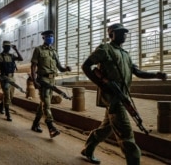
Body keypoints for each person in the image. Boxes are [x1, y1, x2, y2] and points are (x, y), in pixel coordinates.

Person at [81, 23, 167, 165]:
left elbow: (137, 72)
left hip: (122, 96)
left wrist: (156, 75)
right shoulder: (105, 49)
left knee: (105, 129)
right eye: (120, 32)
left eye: (125, 33)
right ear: (111, 34)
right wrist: (101, 84)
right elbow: (86, 66)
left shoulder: (125, 54)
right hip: (112, 98)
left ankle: (88, 149)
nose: (124, 35)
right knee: (126, 135)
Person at [30, 30, 71, 138]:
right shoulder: (38, 50)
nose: (50, 38)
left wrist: (66, 69)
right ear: (43, 38)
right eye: (48, 36)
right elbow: (33, 66)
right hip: (43, 80)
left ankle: (35, 124)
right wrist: (34, 81)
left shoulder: (54, 51)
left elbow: (60, 67)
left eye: (52, 36)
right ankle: (51, 126)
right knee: (47, 104)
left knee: (43, 103)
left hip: (52, 81)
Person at [0, 40, 23, 121]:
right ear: (3, 47)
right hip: (4, 78)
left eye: (9, 46)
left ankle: (1, 105)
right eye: (6, 46)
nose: (7, 48)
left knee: (11, 96)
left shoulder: (12, 56)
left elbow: (21, 58)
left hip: (12, 78)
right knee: (7, 96)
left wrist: (16, 50)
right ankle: (7, 114)